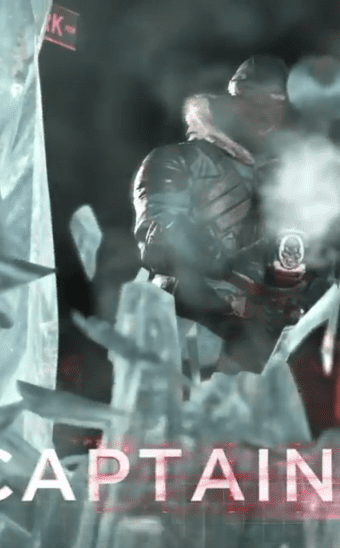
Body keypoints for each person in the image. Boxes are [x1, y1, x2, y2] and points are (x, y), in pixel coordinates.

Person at [131, 56, 323, 373]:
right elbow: (158, 242)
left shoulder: (292, 178)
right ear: (231, 101)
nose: (262, 111)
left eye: (274, 100)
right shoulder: (177, 161)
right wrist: (214, 262)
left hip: (265, 342)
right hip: (187, 324)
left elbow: (311, 262)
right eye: (251, 98)